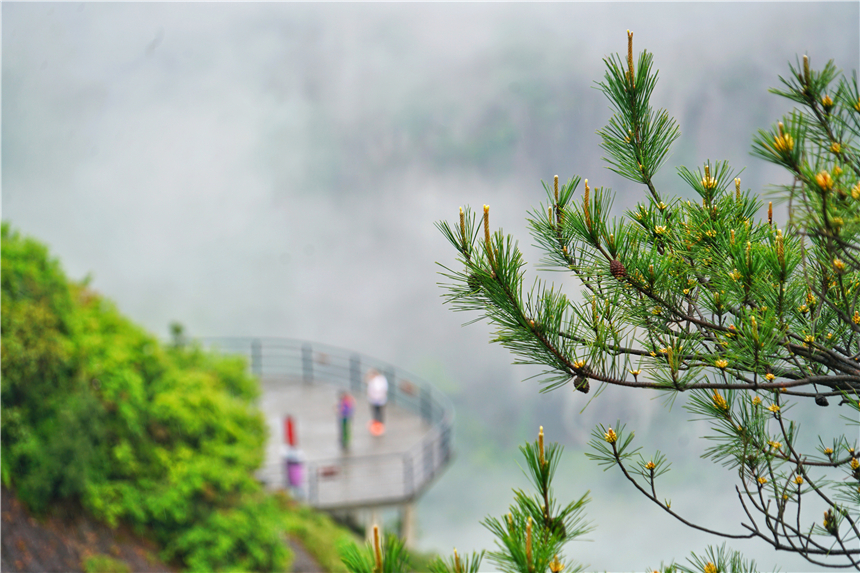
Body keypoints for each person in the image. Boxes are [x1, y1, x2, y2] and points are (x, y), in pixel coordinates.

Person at [365, 368, 388, 436]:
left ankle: (378, 428)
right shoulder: (382, 379)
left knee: (377, 414)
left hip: (376, 400)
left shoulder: (376, 381)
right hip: (379, 400)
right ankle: (379, 427)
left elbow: (377, 389)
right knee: (379, 413)